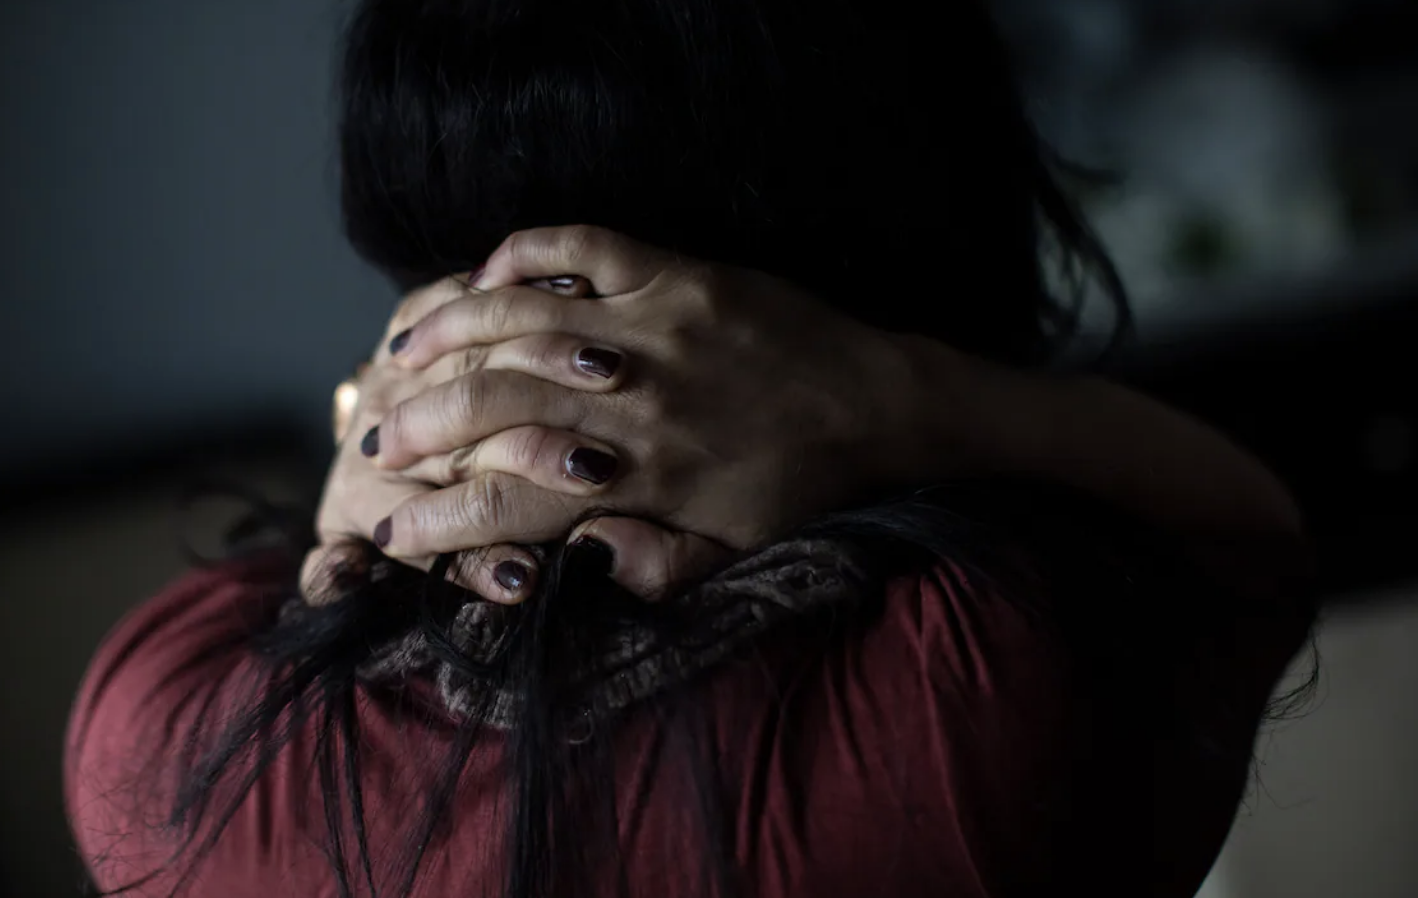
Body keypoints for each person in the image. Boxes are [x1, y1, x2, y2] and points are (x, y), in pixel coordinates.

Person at [65, 1, 1314, 896]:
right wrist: (909, 392)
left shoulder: (159, 739)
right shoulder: (980, 702)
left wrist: (375, 430)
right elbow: (1247, 538)